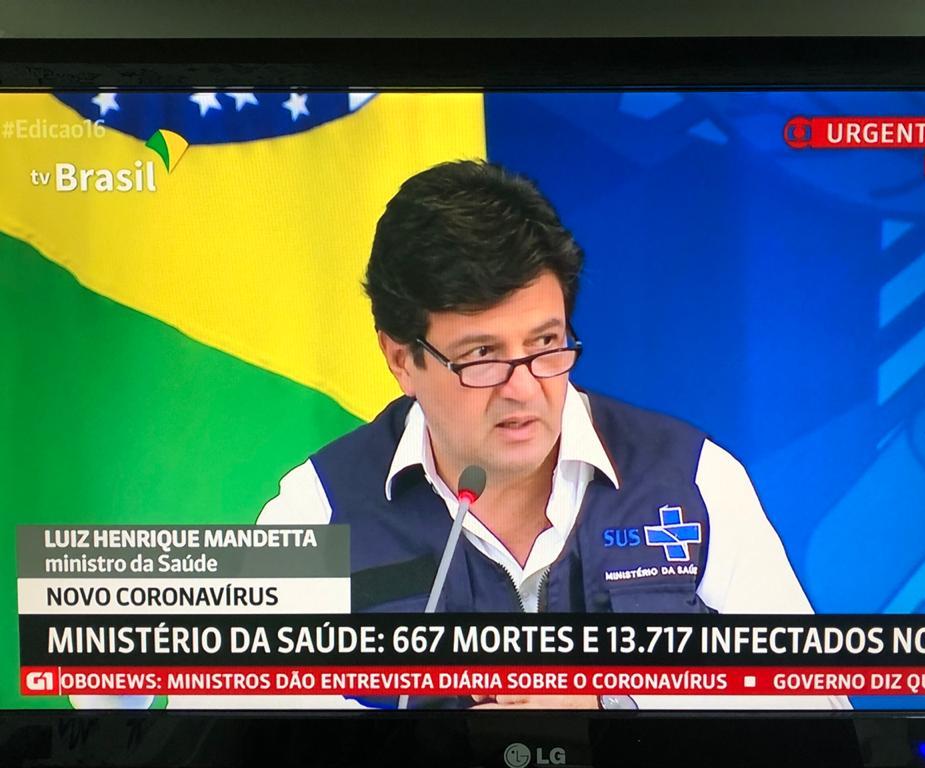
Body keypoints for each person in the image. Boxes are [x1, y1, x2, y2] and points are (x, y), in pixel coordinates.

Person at [251, 159, 849, 711]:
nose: (524, 388)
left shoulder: (692, 480)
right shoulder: (316, 509)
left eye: (545, 344)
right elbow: (241, 729)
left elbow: (820, 713)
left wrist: (616, 705)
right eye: (482, 356)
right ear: (401, 359)